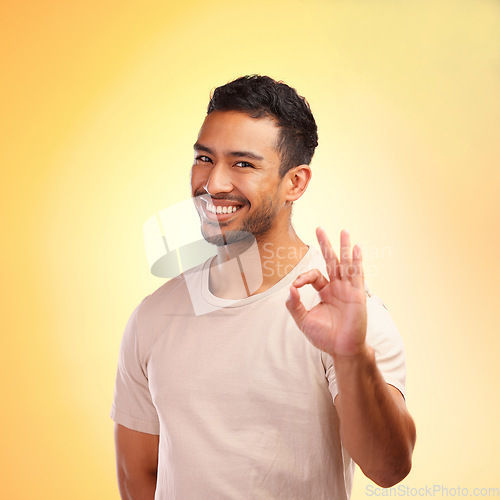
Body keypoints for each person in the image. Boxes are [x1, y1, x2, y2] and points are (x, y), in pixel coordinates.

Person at [111, 75, 416, 499]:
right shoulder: (154, 316)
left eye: (243, 164)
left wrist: (352, 355)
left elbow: (388, 468)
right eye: (204, 158)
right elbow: (138, 475)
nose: (213, 183)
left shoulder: (346, 318)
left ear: (295, 183)